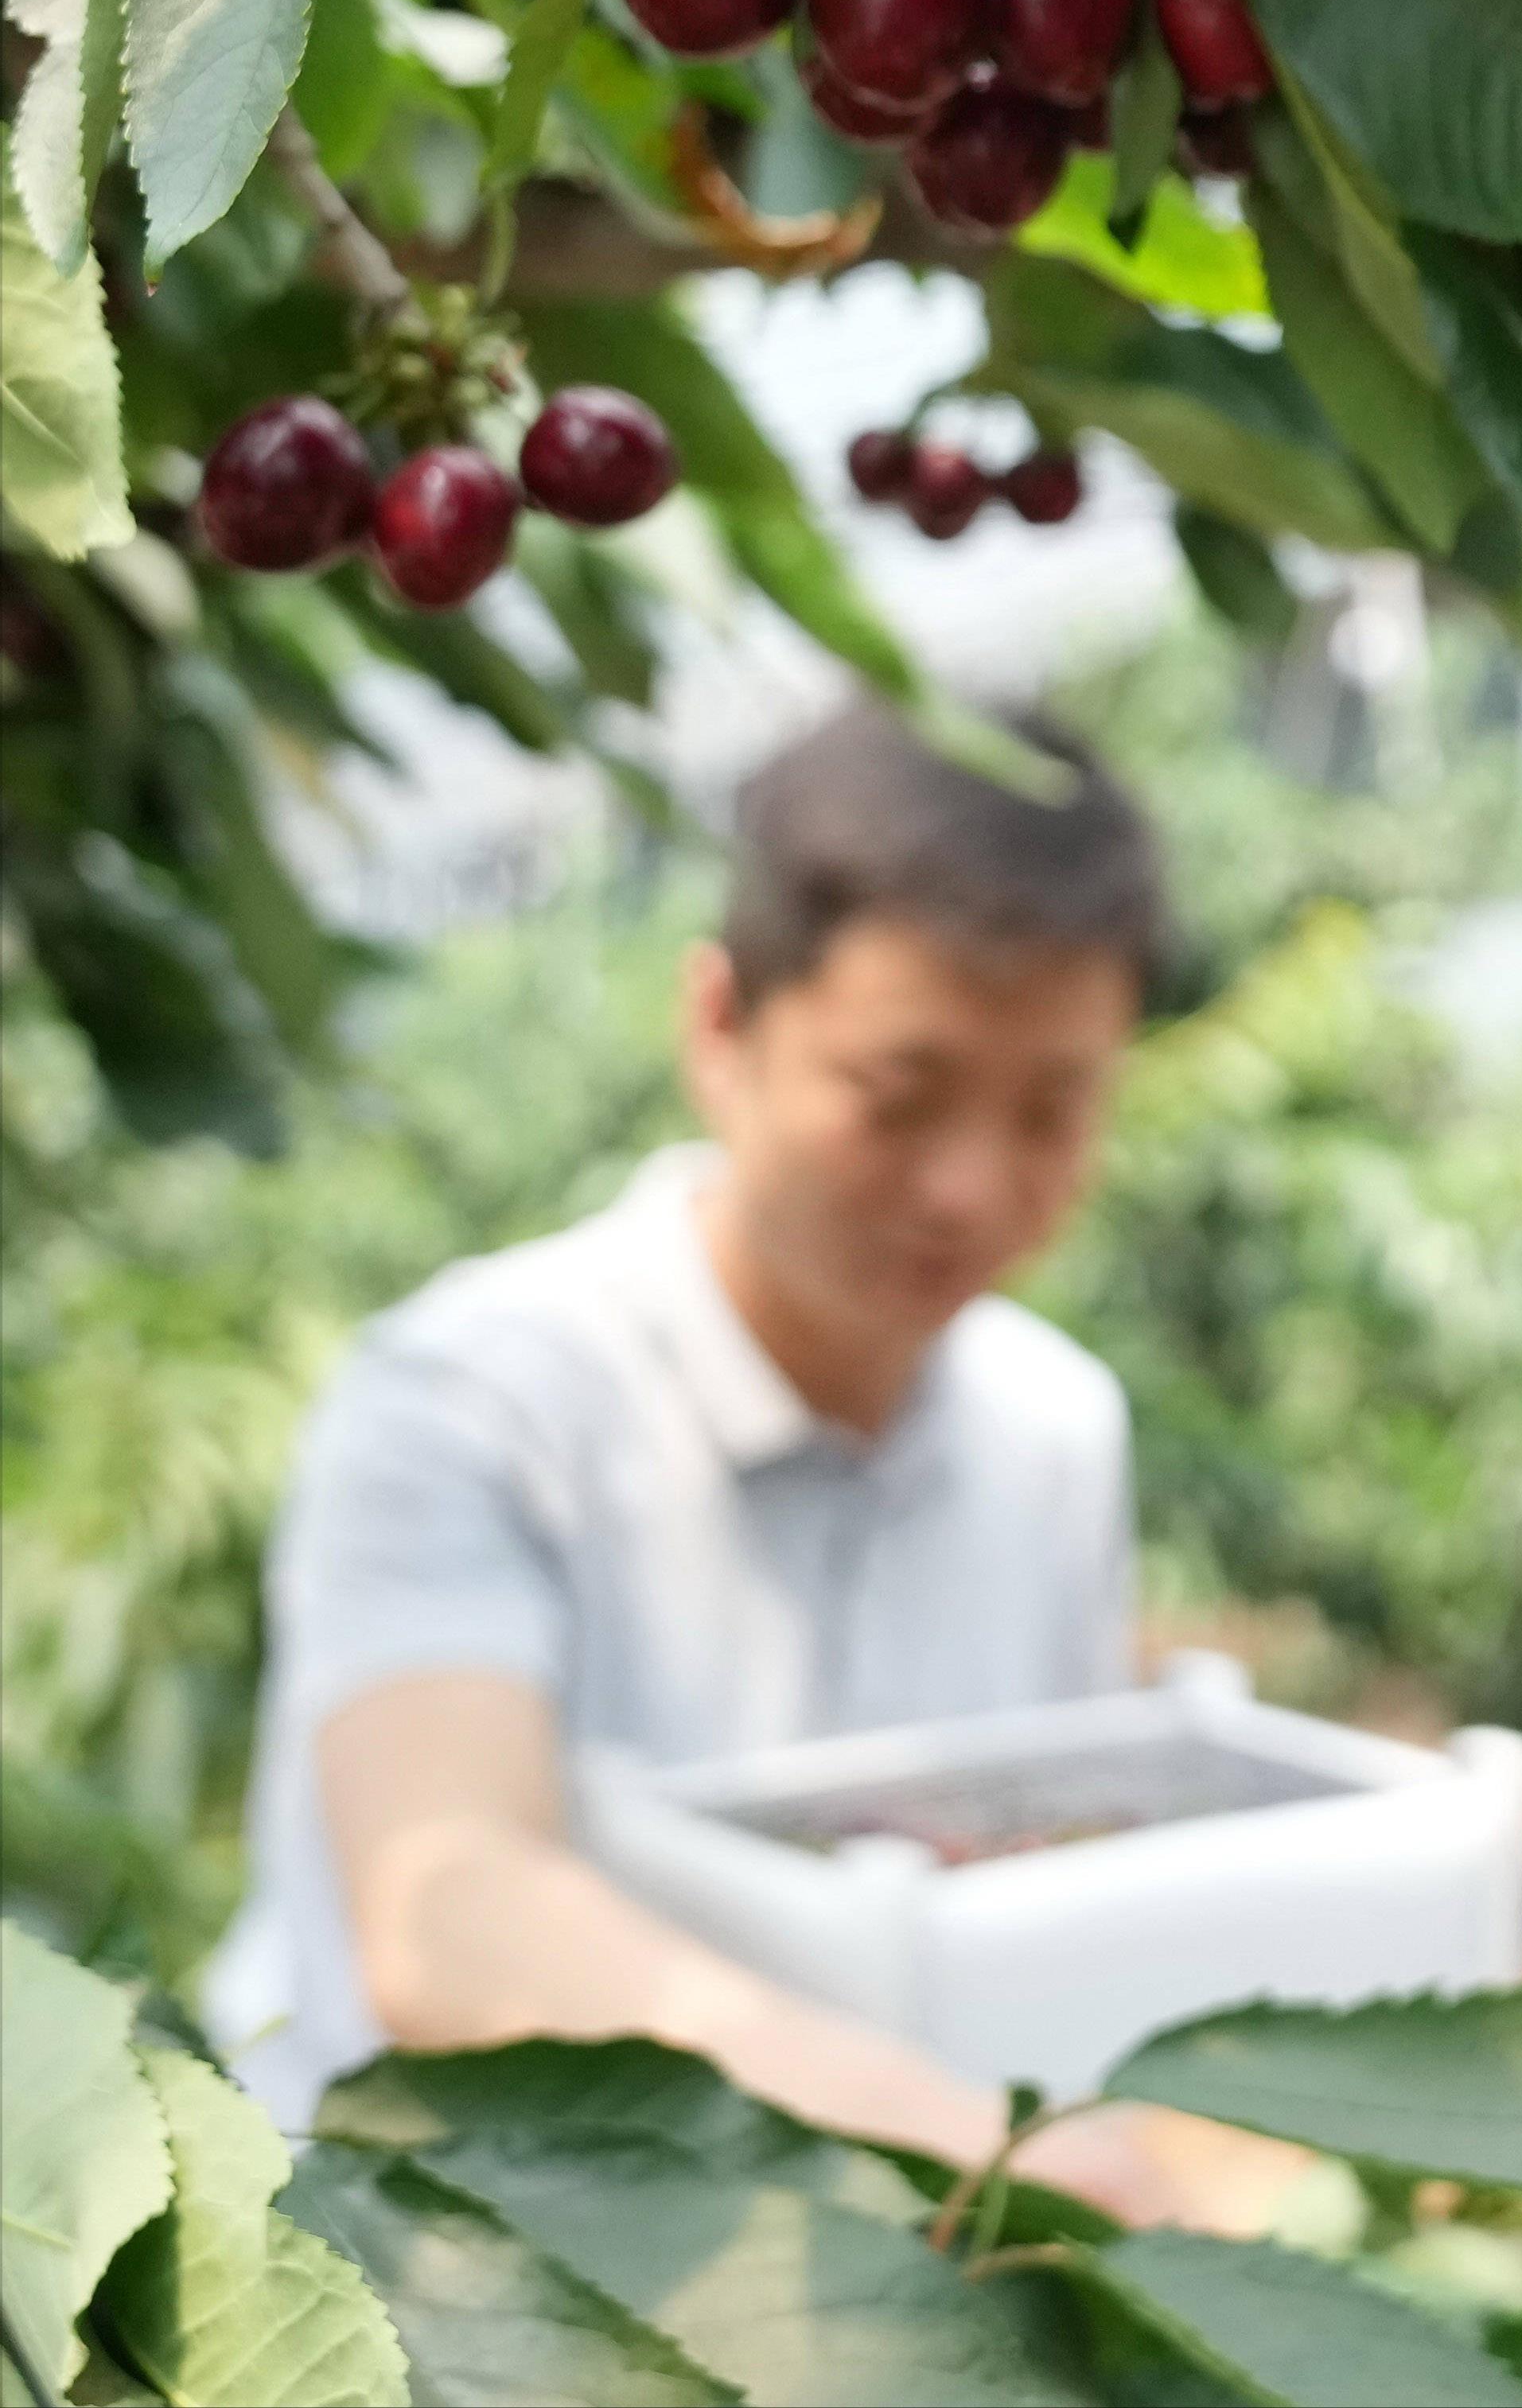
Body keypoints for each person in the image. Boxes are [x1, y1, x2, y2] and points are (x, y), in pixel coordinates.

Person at [206, 702, 1181, 2214]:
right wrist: (969, 2146)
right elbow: (447, 1915)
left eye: (1055, 1109)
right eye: (897, 1093)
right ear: (721, 1028)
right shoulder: (472, 1404)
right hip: (417, 2288)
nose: (973, 1186)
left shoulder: (1055, 1437)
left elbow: (1038, 1895)